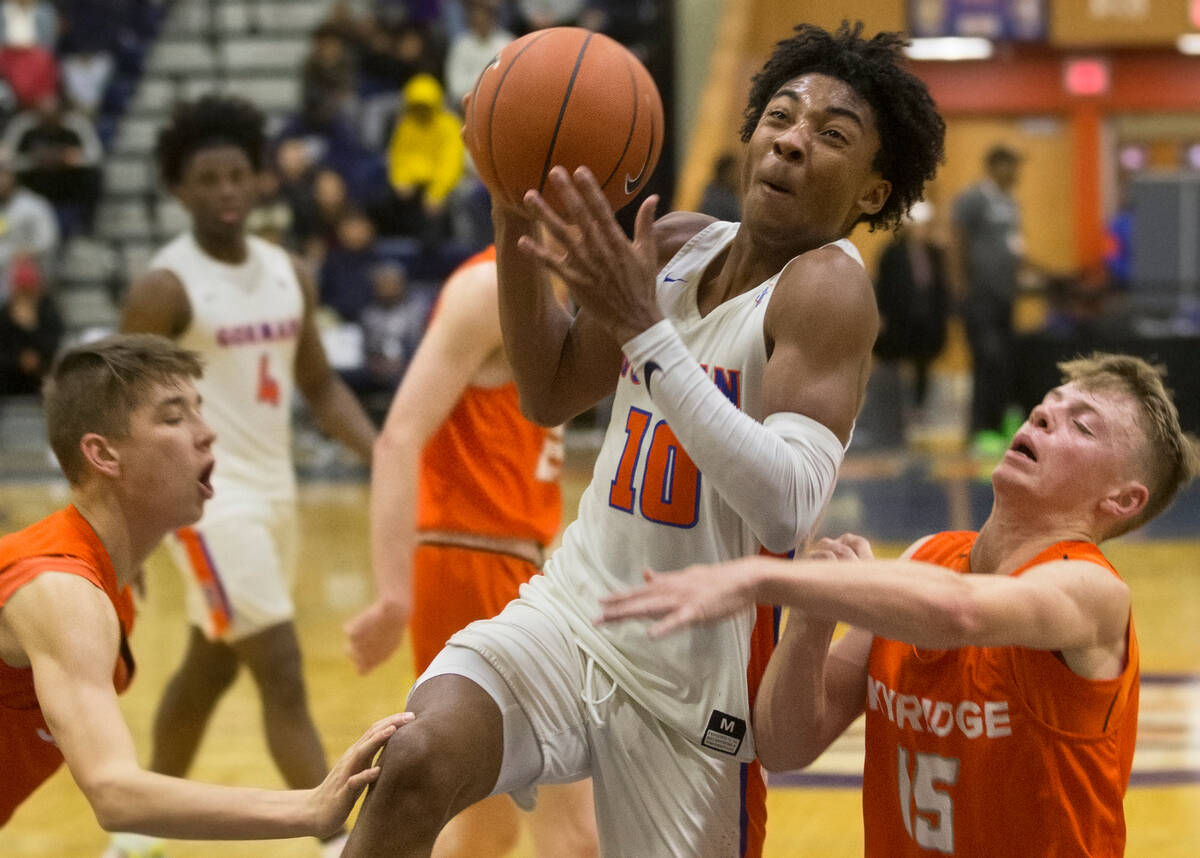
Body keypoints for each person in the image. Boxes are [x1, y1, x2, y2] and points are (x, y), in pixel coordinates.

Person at [342, 21, 945, 858]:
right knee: (413, 759)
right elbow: (549, 390)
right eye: (780, 116)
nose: (793, 142)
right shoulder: (672, 247)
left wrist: (643, 332)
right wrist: (511, 209)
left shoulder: (828, 290)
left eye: (831, 135)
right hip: (572, 615)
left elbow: (789, 504)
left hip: (696, 689)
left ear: (875, 192)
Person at [598, 352, 1199, 857]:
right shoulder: (926, 559)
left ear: (1121, 501)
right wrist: (810, 623)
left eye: (1082, 425)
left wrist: (764, 578)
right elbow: (785, 744)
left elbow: (962, 613)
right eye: (1051, 403)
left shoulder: (1093, 595)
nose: (1045, 415)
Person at [0, 333, 411, 836]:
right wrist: (308, 808)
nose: (207, 432)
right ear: (103, 456)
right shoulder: (64, 591)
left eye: (200, 410)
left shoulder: (102, 571)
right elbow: (113, 793)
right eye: (174, 418)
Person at [117, 94, 378, 858]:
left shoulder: (288, 273)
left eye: (238, 175)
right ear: (178, 188)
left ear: (260, 181)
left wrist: (389, 452)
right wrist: (119, 536)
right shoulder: (165, 287)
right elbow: (113, 409)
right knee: (282, 666)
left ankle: (134, 834)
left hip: (276, 496)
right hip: (204, 507)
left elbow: (323, 388)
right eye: (207, 178)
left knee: (208, 668)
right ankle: (335, 841)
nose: (226, 190)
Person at [344, 245, 597, 857]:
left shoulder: (551, 290)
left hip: (515, 566)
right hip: (472, 566)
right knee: (576, 833)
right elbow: (398, 437)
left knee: (486, 831)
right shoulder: (490, 288)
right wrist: (393, 596)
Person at [951, 143, 1025, 455]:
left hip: (1004, 297)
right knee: (987, 359)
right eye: (1011, 165)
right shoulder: (973, 199)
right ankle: (978, 431)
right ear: (995, 166)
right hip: (979, 297)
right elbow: (957, 242)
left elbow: (1013, 248)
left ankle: (996, 429)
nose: (1016, 173)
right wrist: (960, 287)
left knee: (1004, 364)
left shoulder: (1011, 202)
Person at [872, 199, 949, 413]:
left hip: (926, 319)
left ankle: (918, 408)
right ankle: (891, 411)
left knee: (923, 365)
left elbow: (940, 286)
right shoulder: (891, 253)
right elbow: (882, 285)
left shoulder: (934, 253)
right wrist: (881, 314)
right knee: (892, 366)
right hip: (899, 318)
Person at [0, 254, 62, 396]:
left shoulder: (48, 311)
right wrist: (18, 360)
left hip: (40, 375)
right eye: (22, 290)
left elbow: (52, 345)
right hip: (9, 377)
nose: (25, 295)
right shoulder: (4, 314)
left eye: (29, 289)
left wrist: (30, 327)